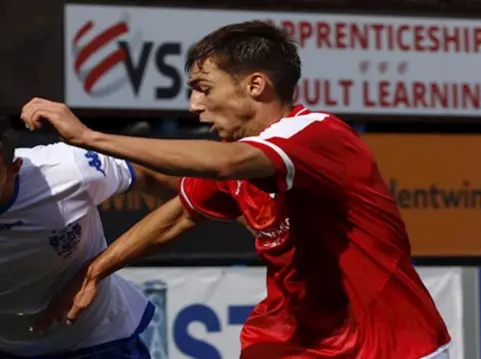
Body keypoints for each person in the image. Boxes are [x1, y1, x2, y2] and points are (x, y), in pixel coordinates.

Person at [21, 21, 451, 359]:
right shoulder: (239, 157)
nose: (193, 106)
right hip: (294, 342)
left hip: (394, 344)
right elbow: (182, 214)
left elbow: (226, 164)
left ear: (256, 85)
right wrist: (95, 270)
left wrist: (89, 137)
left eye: (204, 89)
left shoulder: (317, 135)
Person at [0, 120, 179, 358]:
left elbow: (169, 182)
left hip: (99, 341)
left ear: (14, 169)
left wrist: (95, 270)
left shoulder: (67, 169)